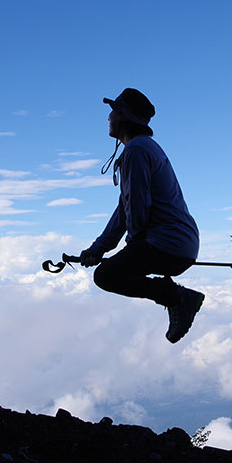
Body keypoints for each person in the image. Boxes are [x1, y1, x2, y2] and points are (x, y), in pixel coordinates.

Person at [80, 88, 205, 344]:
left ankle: (180, 298)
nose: (109, 118)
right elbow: (124, 210)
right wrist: (99, 249)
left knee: (106, 276)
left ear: (123, 116)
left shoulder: (136, 151)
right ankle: (175, 296)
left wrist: (133, 245)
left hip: (166, 245)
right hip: (181, 245)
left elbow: (137, 207)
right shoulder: (145, 148)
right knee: (110, 270)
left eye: (113, 112)